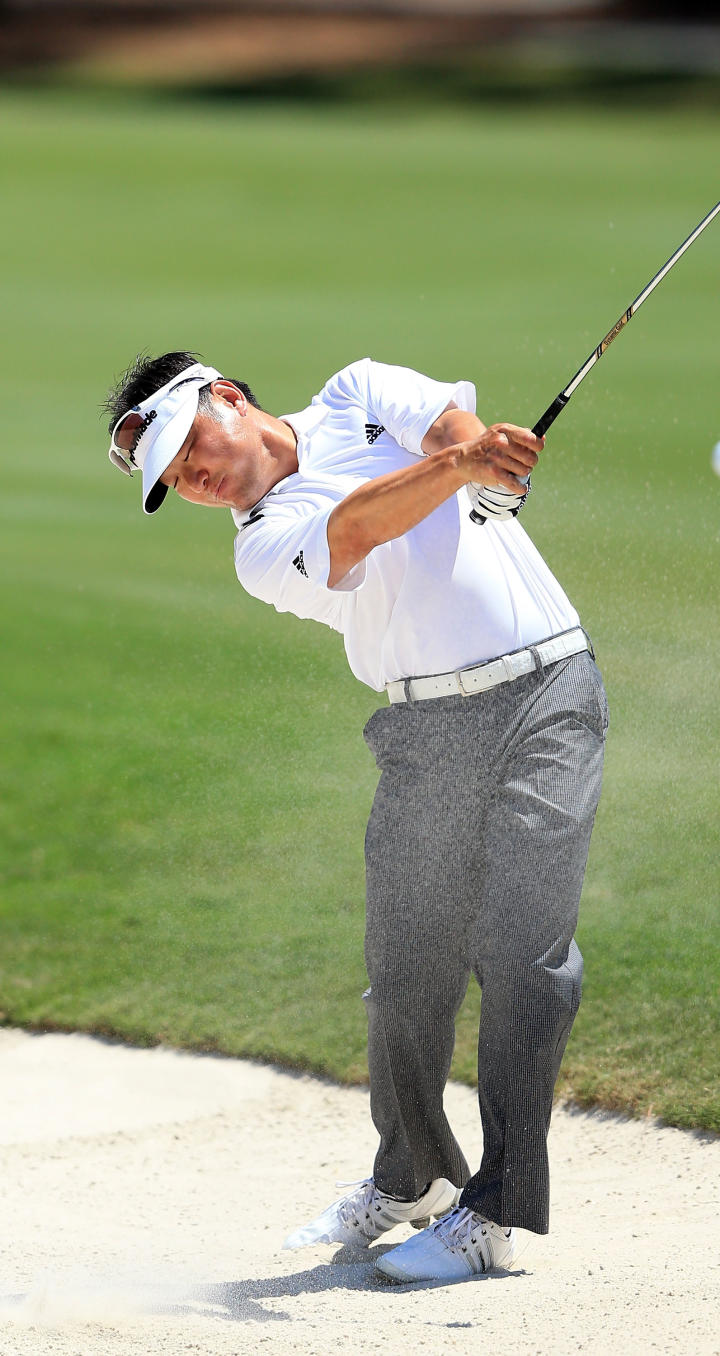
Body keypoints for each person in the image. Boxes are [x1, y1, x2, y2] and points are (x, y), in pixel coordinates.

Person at [104, 351, 608, 1284]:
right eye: (173, 477)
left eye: (187, 447)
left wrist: (488, 465)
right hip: (425, 729)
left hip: (548, 690)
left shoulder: (358, 391)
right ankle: (412, 1178)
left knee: (526, 959)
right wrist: (463, 471)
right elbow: (356, 527)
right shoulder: (263, 549)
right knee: (406, 972)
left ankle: (494, 1213)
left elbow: (447, 428)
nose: (192, 476)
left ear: (226, 396)